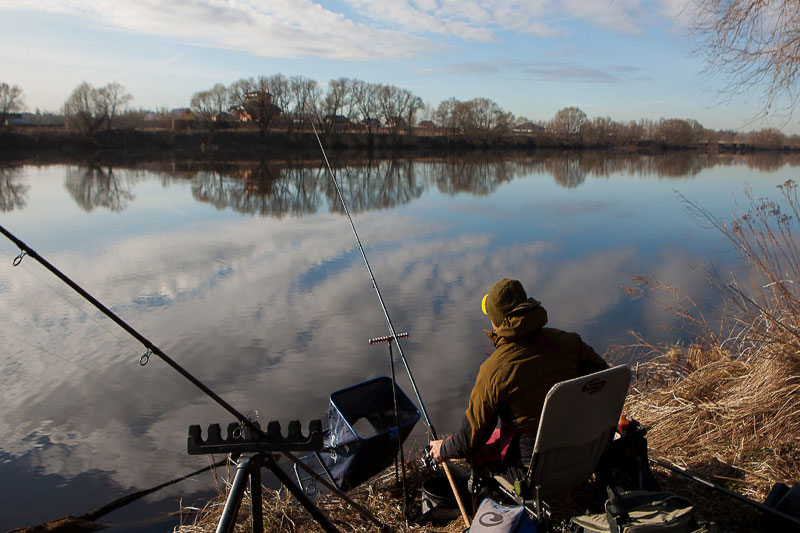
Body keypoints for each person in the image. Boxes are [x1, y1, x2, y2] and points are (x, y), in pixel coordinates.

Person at [429, 277, 608, 469]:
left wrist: (443, 448)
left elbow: (469, 441)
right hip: (582, 447)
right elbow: (605, 381)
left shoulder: (494, 370)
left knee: (476, 459)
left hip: (532, 467)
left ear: (497, 322)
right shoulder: (570, 342)